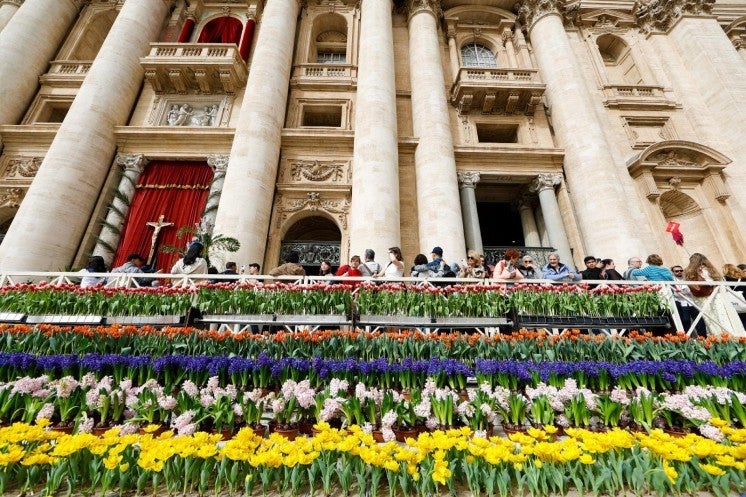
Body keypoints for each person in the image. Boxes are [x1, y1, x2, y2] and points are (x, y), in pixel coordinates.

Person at [684, 253, 745, 337]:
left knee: (710, 321)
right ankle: (731, 337)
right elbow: (712, 283)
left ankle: (717, 338)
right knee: (723, 318)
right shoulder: (703, 270)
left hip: (700, 299)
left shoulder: (689, 273)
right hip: (714, 296)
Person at [671, 265, 706, 337]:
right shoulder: (672, 281)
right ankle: (687, 338)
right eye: (677, 271)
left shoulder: (687, 279)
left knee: (699, 320)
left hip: (691, 301)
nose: (679, 272)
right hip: (681, 302)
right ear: (673, 272)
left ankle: (703, 337)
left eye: (681, 270)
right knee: (685, 321)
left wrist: (688, 291)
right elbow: (674, 293)